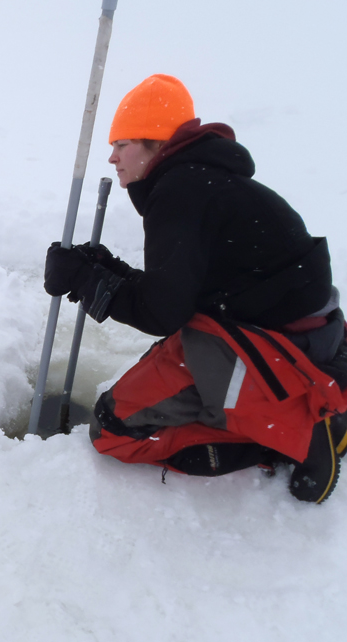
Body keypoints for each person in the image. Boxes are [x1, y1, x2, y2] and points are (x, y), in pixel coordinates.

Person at [44, 74, 347, 503]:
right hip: (308, 335)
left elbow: (162, 312)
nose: (112, 158)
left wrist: (86, 280)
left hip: (271, 351)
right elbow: (179, 290)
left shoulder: (180, 190)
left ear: (155, 143)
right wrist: (103, 271)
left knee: (114, 432)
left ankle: (295, 435)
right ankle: (292, 413)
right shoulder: (205, 182)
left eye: (121, 144)